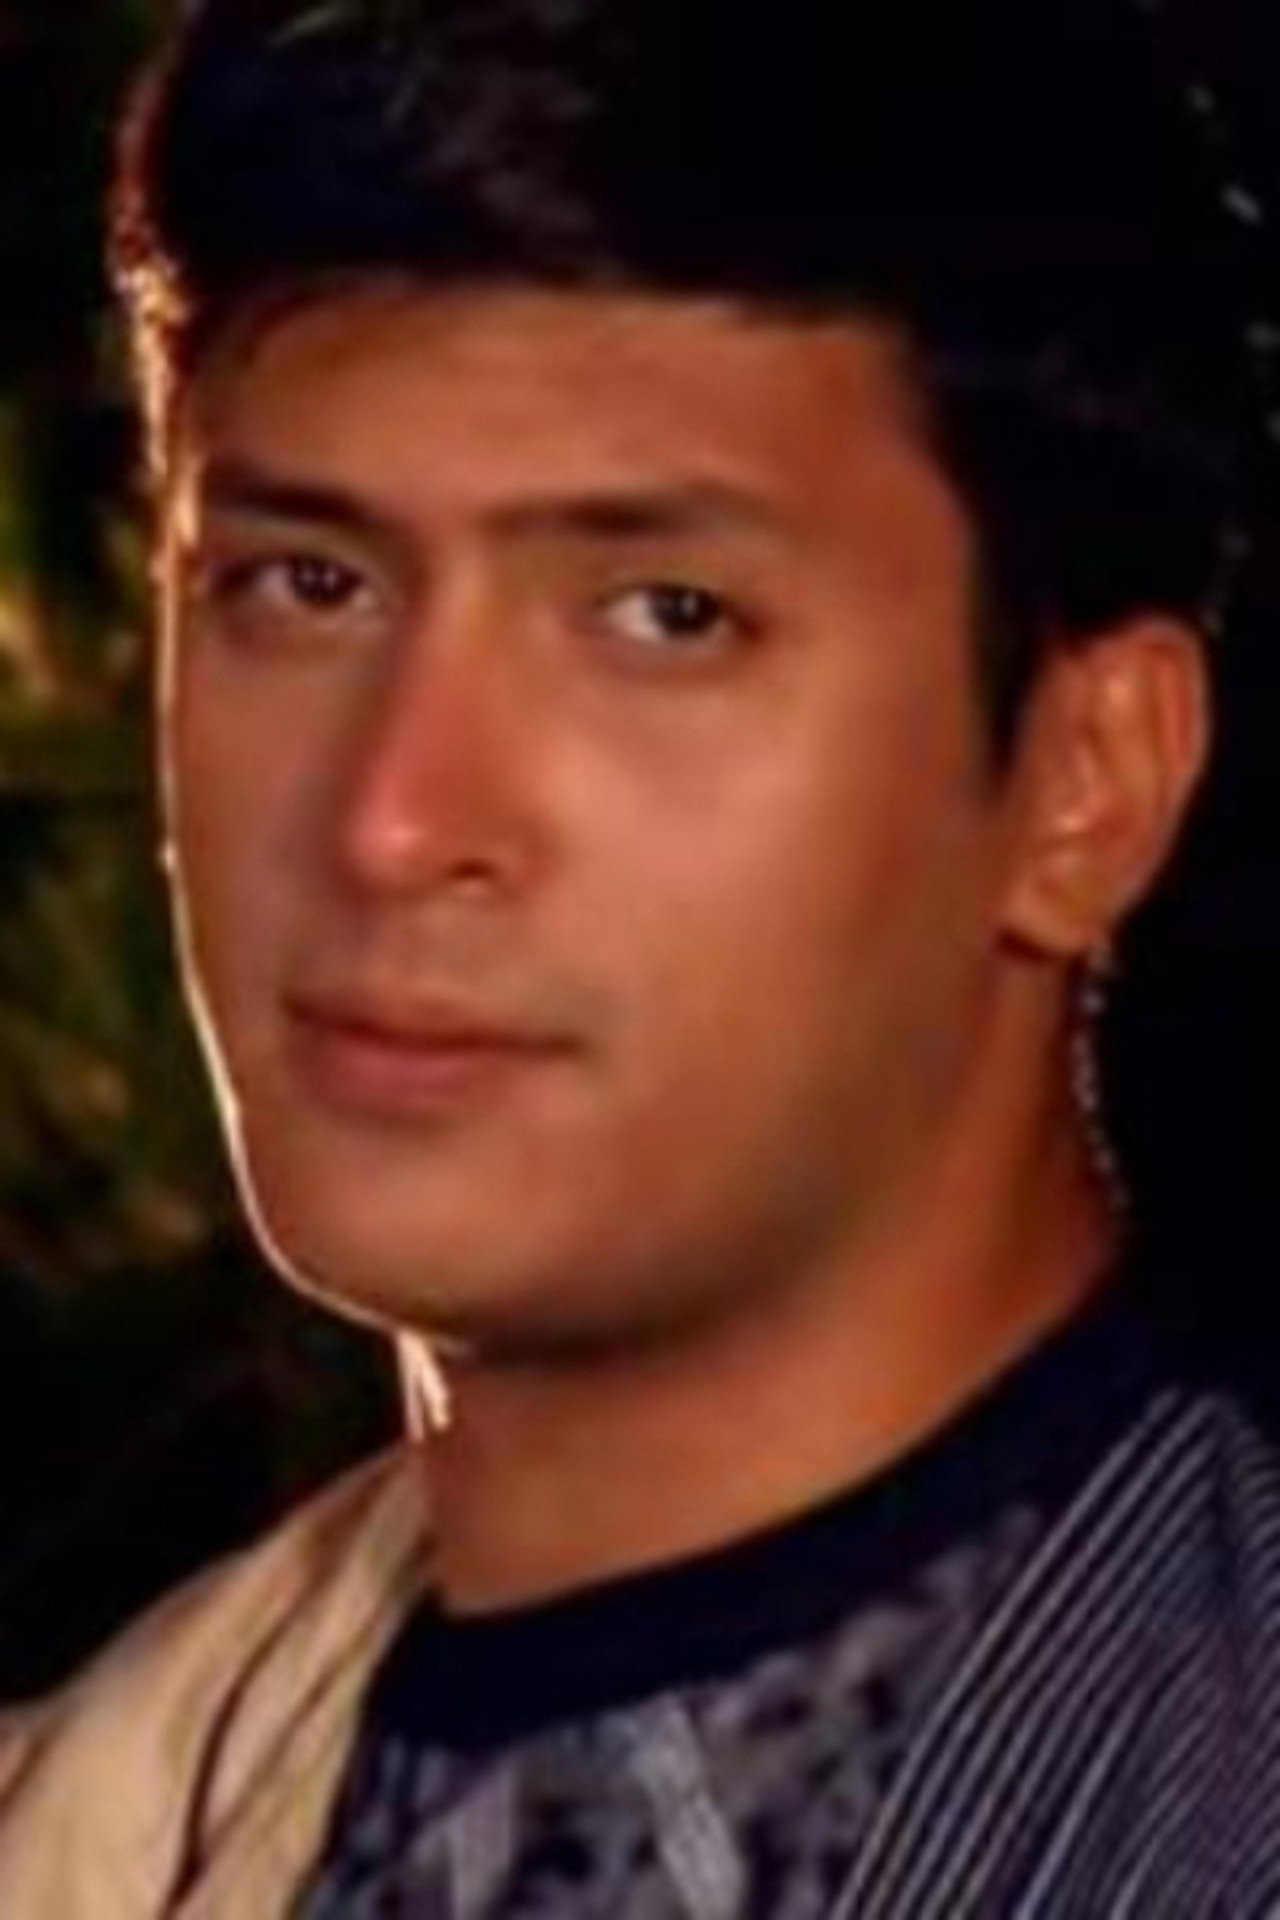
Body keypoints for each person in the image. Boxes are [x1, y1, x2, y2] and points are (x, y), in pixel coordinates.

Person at [0, 0, 1276, 1911]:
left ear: (1088, 782)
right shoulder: (110, 1802)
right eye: (306, 584)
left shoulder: (1202, 1792)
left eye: (666, 616)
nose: (394, 819)